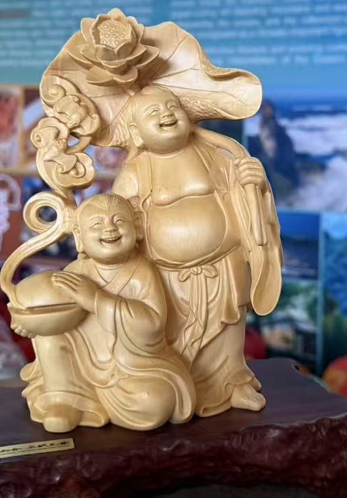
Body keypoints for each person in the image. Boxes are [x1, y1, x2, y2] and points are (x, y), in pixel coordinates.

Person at [113, 85, 282, 417]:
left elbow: (246, 198)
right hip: (167, 276)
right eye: (153, 112)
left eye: (172, 106)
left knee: (227, 335)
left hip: (224, 264)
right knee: (173, 335)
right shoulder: (136, 172)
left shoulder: (215, 155)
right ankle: (179, 388)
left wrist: (256, 181)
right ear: (136, 132)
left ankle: (233, 384)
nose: (167, 114)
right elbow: (118, 219)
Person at [12, 193, 195, 433]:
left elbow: (153, 324)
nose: (109, 229)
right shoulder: (75, 271)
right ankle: (64, 400)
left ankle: (91, 401)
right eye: (97, 224)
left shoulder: (141, 272)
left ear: (136, 228)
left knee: (156, 402)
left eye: (119, 221)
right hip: (80, 364)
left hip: (130, 367)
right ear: (79, 238)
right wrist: (31, 325)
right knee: (50, 337)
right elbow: (51, 310)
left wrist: (96, 300)